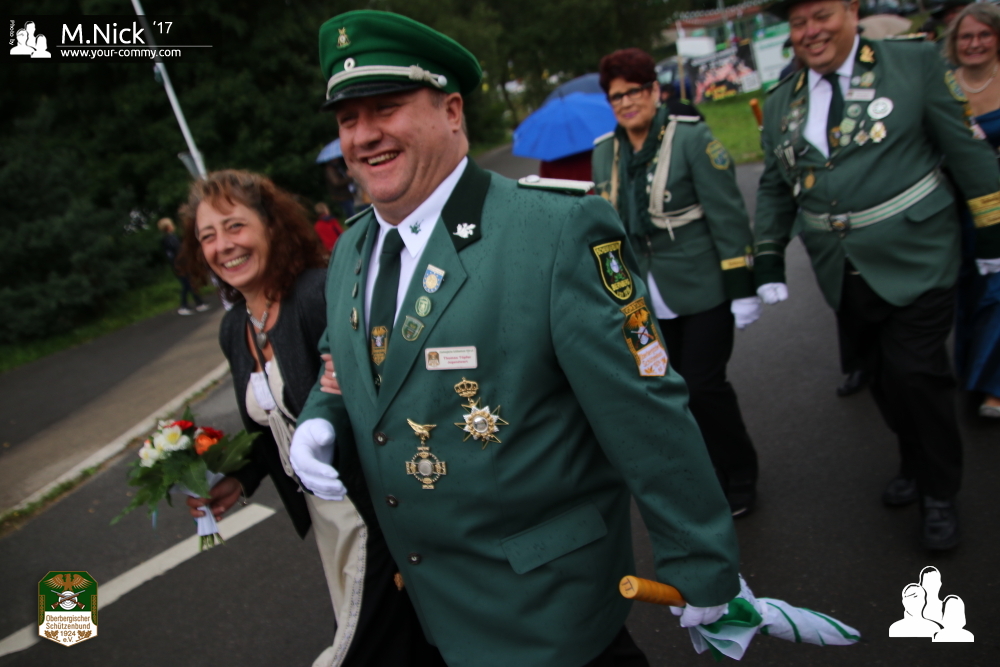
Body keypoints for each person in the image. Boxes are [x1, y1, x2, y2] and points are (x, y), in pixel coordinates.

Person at [289, 10, 741, 667]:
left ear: (451, 111)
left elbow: (644, 411)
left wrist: (699, 556)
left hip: (547, 607)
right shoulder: (353, 247)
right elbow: (347, 349)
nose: (363, 136)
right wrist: (323, 413)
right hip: (432, 604)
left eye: (386, 108)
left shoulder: (553, 230)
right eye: (347, 119)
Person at [753, 0, 1000, 551]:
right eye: (799, 23)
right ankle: (914, 456)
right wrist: (767, 254)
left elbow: (965, 148)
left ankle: (939, 494)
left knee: (917, 375)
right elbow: (775, 183)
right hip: (842, 267)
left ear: (850, 10)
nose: (810, 32)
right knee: (883, 379)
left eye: (821, 16)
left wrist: (993, 233)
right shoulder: (782, 100)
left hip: (919, 252)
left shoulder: (912, 63)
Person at [177, 170, 433, 667]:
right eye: (207, 236)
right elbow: (269, 428)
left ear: (272, 227)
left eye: (235, 226)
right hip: (325, 521)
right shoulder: (234, 328)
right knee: (407, 645)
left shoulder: (319, 296)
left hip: (375, 513)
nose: (222, 246)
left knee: (357, 649)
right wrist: (238, 479)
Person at [592, 48, 762, 517]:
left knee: (704, 386)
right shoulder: (605, 152)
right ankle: (708, 474)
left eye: (634, 92)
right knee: (670, 392)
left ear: (654, 91)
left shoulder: (690, 138)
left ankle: (742, 472)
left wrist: (742, 286)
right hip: (641, 296)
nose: (626, 103)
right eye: (616, 97)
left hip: (702, 285)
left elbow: (728, 215)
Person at [946, 3, 1000, 418]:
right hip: (958, 208)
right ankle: (972, 372)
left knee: (998, 293)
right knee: (970, 291)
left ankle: (992, 389)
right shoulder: (943, 86)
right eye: (966, 36)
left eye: (984, 34)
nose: (975, 43)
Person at [157, 217, 209, 316]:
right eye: (171, 224)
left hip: (178, 266)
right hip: (181, 266)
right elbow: (180, 253)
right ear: (168, 227)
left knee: (189, 284)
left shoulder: (167, 239)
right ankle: (185, 306)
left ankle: (198, 303)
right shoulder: (171, 239)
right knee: (187, 285)